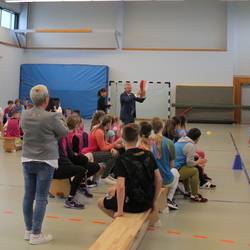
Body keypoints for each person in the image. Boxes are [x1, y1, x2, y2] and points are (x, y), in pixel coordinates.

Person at [21, 85, 68, 245]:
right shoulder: (51, 117)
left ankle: (28, 230)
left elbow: (26, 130)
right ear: (46, 99)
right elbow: (64, 133)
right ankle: (36, 234)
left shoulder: (24, 114)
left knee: (28, 195)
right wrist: (61, 118)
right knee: (41, 197)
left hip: (27, 159)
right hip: (45, 161)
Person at [98, 123, 162, 218]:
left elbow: (121, 187)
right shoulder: (148, 154)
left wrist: (120, 211)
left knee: (100, 202)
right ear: (138, 138)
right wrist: (153, 201)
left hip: (133, 204)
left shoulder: (122, 159)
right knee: (111, 190)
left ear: (122, 139)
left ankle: (119, 221)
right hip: (147, 201)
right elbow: (159, 180)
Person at [151, 117, 180, 210]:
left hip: (151, 180)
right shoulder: (169, 143)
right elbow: (171, 166)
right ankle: (169, 199)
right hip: (165, 180)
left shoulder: (147, 142)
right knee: (176, 172)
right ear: (162, 128)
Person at [174, 128, 208, 202]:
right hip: (176, 170)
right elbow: (189, 163)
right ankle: (194, 195)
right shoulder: (190, 145)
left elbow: (183, 152)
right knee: (194, 171)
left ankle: (187, 191)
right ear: (197, 138)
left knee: (186, 168)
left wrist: (194, 155)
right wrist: (198, 162)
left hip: (173, 167)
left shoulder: (182, 140)